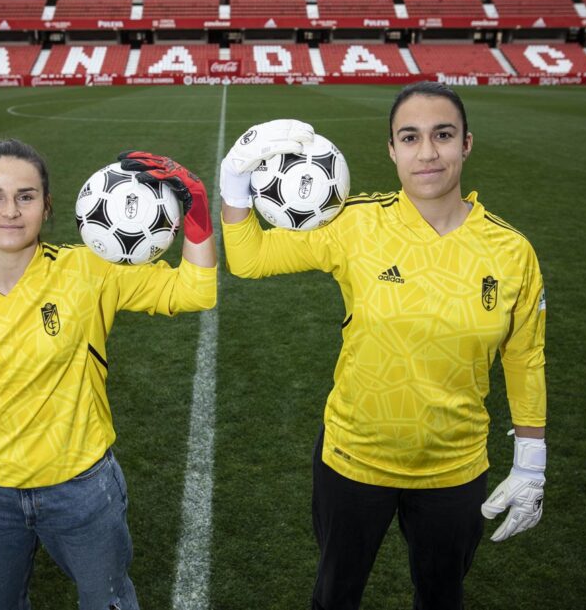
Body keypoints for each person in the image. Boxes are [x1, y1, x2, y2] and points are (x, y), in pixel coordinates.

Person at [218, 82, 547, 610]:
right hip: (353, 459)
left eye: (443, 135)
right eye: (410, 137)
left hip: (454, 467)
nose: (427, 152)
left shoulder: (512, 251)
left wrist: (532, 460)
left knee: (442, 597)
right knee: (336, 594)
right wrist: (234, 181)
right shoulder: (355, 223)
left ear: (466, 143)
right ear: (391, 149)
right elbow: (250, 258)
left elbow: (525, 356)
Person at [0, 140, 216, 610]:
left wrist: (196, 212)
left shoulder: (87, 270)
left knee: (108, 603)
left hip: (82, 491)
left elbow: (194, 291)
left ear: (47, 205)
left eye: (26, 197)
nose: (9, 211)